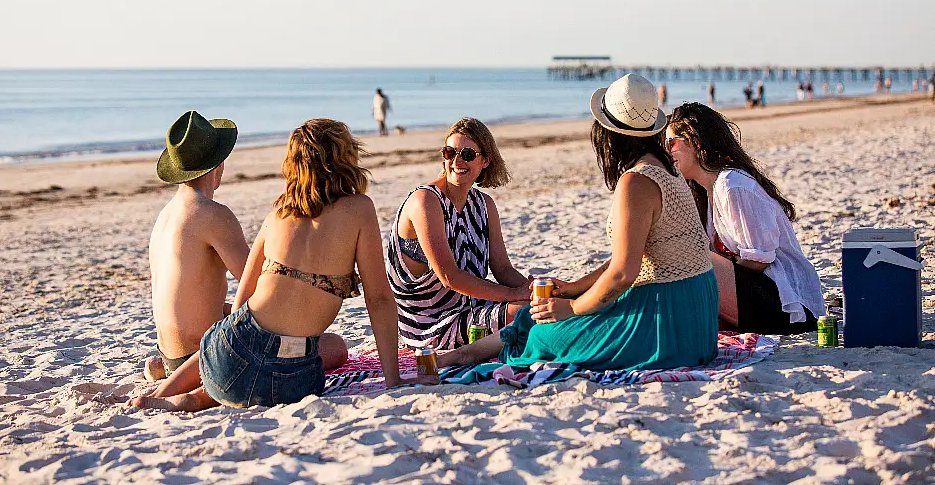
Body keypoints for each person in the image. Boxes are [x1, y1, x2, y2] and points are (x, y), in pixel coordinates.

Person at [439, 75, 718, 371]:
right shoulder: (668, 171)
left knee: (542, 336)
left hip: (666, 323)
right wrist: (573, 288)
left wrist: (571, 307)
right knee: (535, 318)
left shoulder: (637, 181)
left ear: (609, 133)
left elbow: (623, 273)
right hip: (698, 316)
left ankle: (465, 355)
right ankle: (463, 354)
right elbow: (629, 259)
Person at [130, 119, 402, 411]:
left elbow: (240, 306)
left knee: (233, 335)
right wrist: (393, 379)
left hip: (224, 363)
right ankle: (193, 398)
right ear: (346, 156)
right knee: (328, 348)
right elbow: (379, 299)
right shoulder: (360, 208)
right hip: (293, 379)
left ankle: (171, 395)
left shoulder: (278, 213)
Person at [665, 102, 825, 334]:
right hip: (760, 297)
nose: (667, 151)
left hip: (791, 308)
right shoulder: (708, 190)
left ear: (695, 141)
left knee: (686, 254)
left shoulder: (732, 185)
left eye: (671, 142)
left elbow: (758, 260)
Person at [387, 117, 532, 350]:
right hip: (433, 325)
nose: (456, 161)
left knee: (544, 305)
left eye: (466, 154)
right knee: (530, 313)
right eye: (449, 152)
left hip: (473, 307)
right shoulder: (425, 201)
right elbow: (449, 277)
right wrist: (513, 295)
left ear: (485, 161)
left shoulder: (484, 204)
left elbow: (503, 269)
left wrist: (530, 290)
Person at [144, 110, 250, 381]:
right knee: (333, 347)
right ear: (219, 165)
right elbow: (256, 282)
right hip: (203, 356)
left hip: (169, 354)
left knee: (227, 309)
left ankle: (165, 369)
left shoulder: (165, 216)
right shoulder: (212, 213)